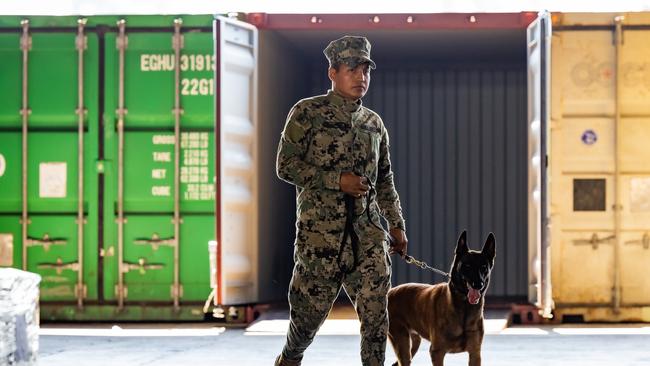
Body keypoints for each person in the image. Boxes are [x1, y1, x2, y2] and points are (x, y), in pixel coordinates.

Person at [274, 35, 408, 366]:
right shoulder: (307, 112)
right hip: (321, 240)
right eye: (352, 69)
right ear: (332, 72)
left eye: (365, 70)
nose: (361, 77)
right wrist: (337, 181)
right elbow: (284, 166)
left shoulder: (373, 124)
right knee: (307, 320)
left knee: (377, 320)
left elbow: (385, 180)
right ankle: (290, 359)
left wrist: (397, 225)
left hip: (368, 237)